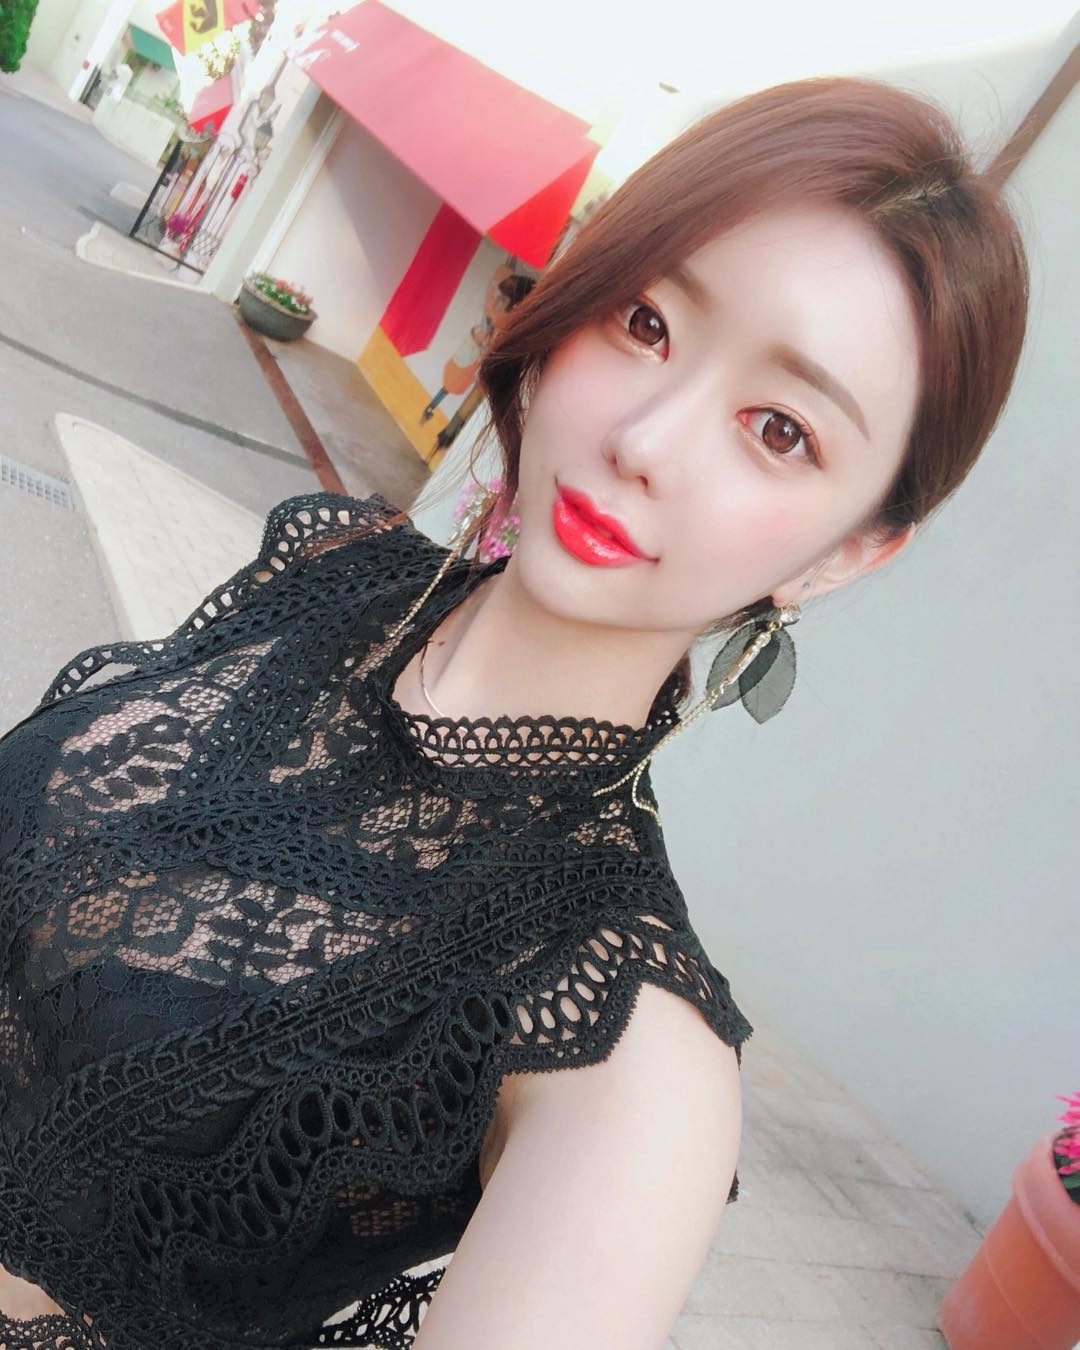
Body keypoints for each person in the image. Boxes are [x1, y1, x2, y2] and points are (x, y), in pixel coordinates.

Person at [0, 72, 1028, 1349]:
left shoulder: (630, 1060)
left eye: (779, 430)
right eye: (648, 322)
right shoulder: (335, 571)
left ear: (848, 552)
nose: (647, 438)